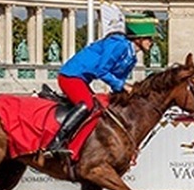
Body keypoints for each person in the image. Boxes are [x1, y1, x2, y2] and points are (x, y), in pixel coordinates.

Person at [44, 13, 156, 156]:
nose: (151, 42)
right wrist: (125, 86)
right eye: (149, 38)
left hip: (83, 80)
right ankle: (56, 142)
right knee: (87, 105)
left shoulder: (132, 57)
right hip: (70, 76)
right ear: (139, 39)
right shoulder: (119, 45)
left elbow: (117, 84)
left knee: (101, 107)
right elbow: (101, 71)